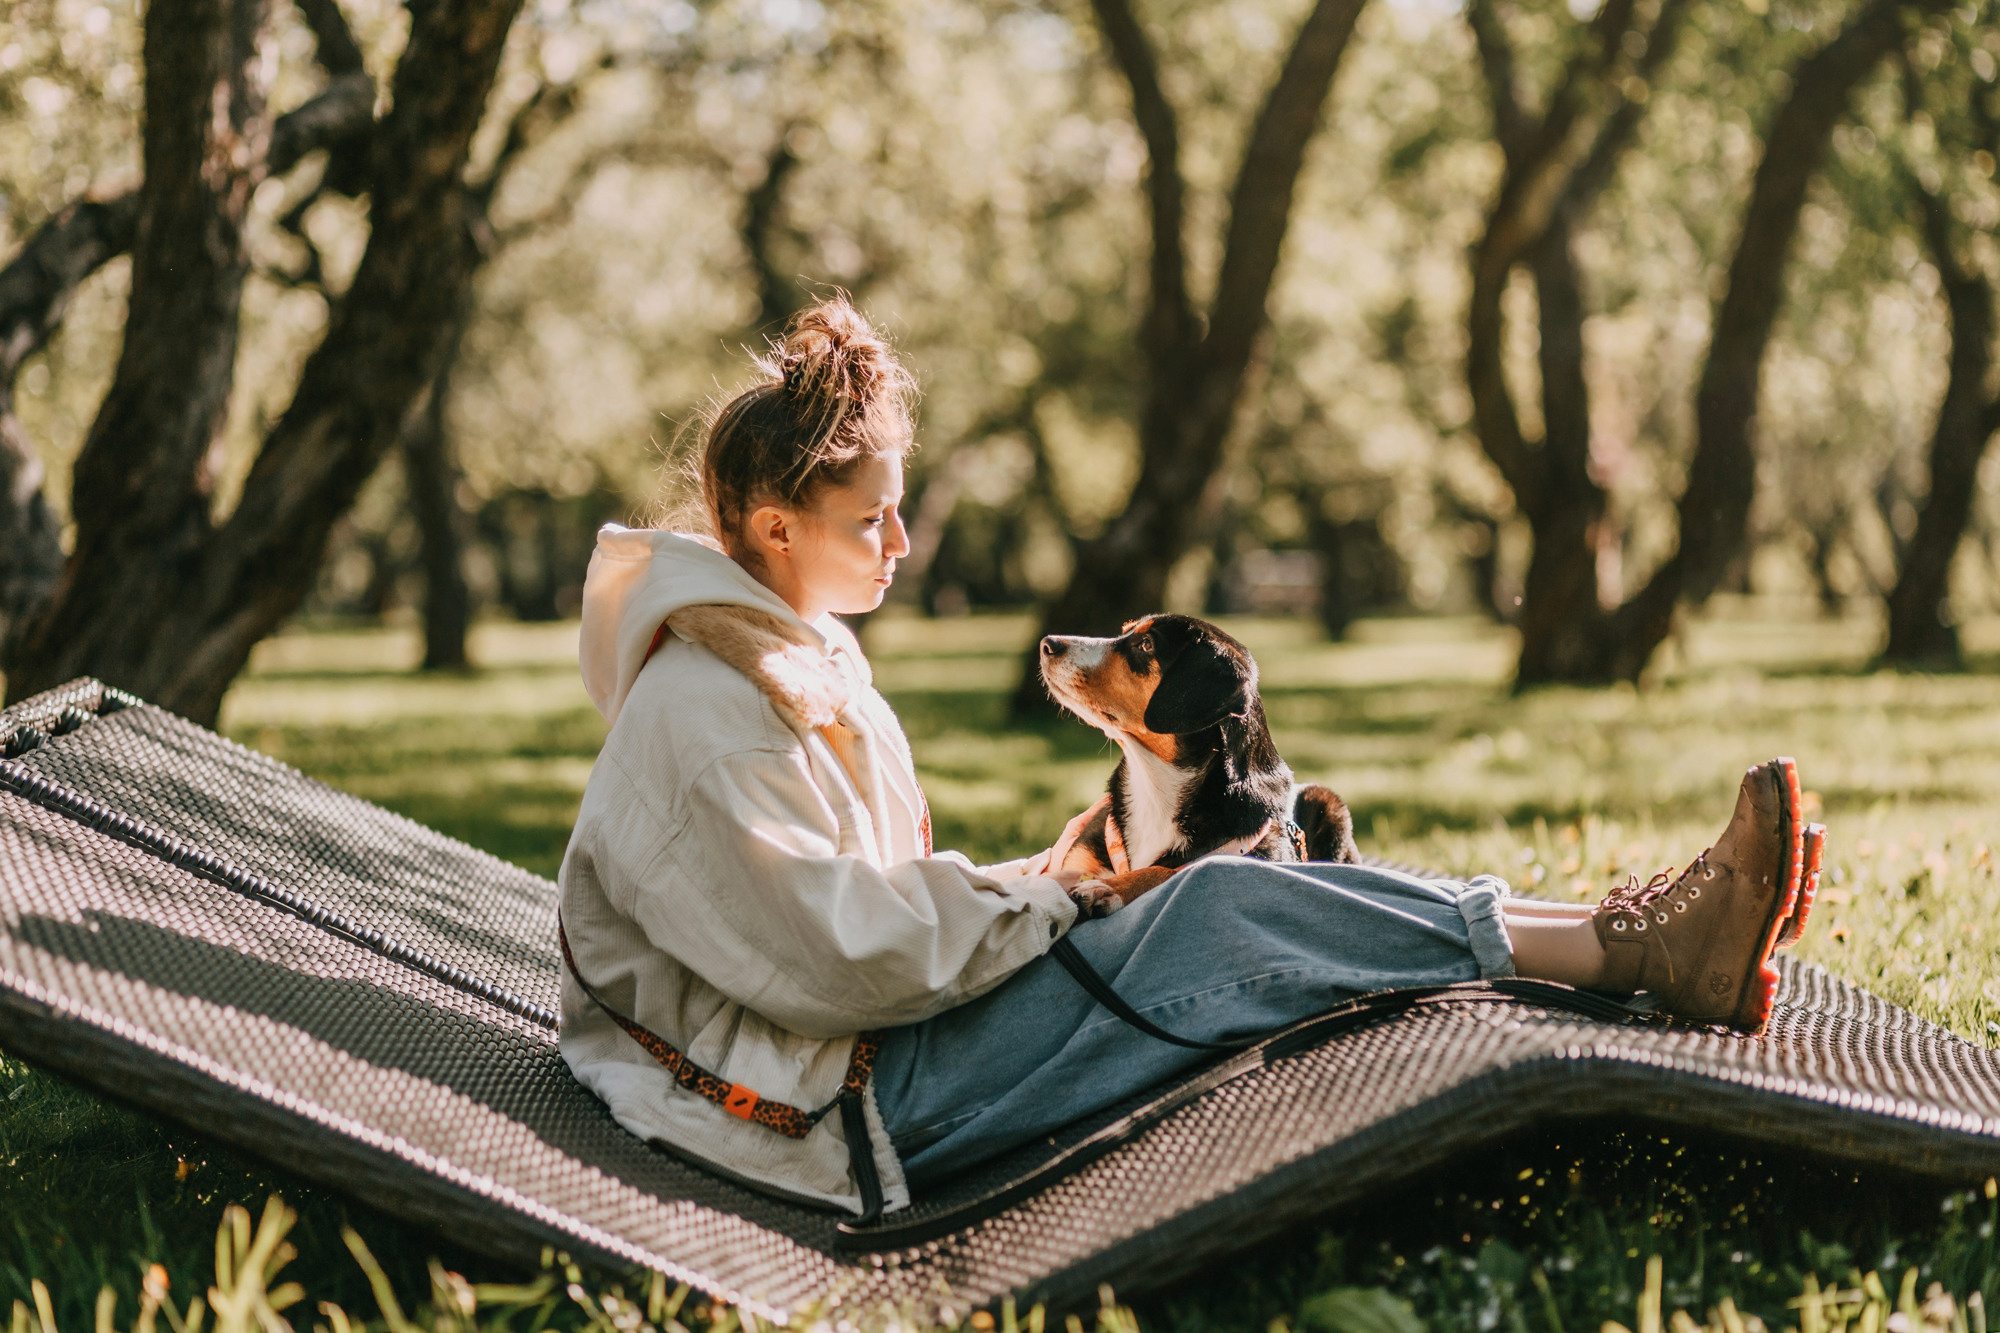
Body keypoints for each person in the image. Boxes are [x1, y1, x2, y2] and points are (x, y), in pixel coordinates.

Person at [556, 296, 1808, 1220]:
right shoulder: (702, 714)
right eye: (868, 515)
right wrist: (1069, 894)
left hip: (863, 1054)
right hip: (825, 1111)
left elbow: (849, 920)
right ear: (774, 527)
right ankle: (1631, 952)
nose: (900, 536)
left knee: (1221, 887)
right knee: (1216, 911)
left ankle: (1610, 931)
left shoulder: (783, 650)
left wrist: (1041, 887)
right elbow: (835, 958)